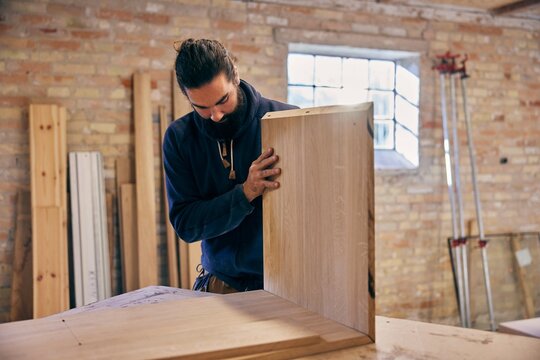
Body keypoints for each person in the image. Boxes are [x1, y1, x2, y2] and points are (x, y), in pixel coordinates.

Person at [163, 38, 297, 294]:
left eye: (223, 100)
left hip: (287, 284)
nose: (216, 115)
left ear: (235, 75)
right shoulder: (179, 138)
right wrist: (245, 193)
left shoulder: (287, 121)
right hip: (222, 284)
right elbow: (187, 225)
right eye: (201, 107)